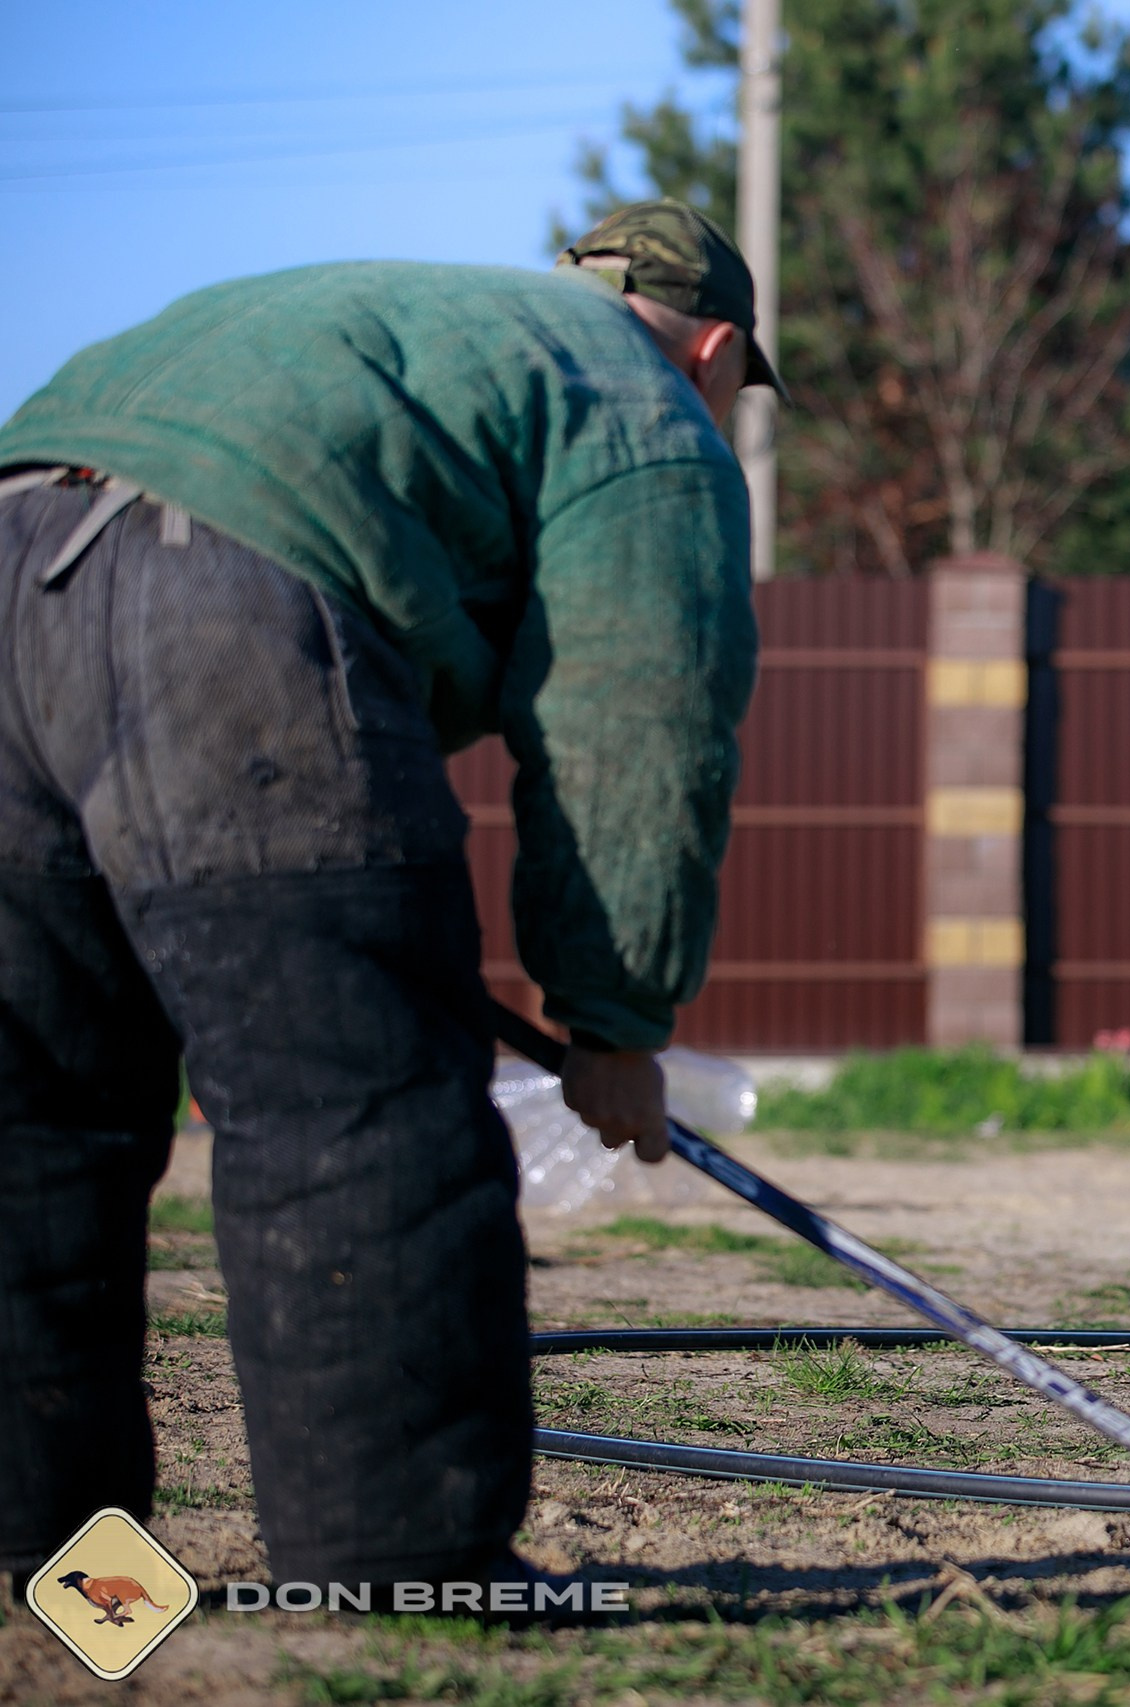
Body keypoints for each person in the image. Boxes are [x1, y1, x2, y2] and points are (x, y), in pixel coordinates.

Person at [0, 201, 771, 1597]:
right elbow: (641, 721)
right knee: (355, 1109)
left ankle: (35, 1547)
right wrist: (613, 1021)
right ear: (715, 351)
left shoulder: (430, 331)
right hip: (225, 590)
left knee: (33, 1121)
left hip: (12, 545)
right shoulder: (642, 406)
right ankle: (402, 1566)